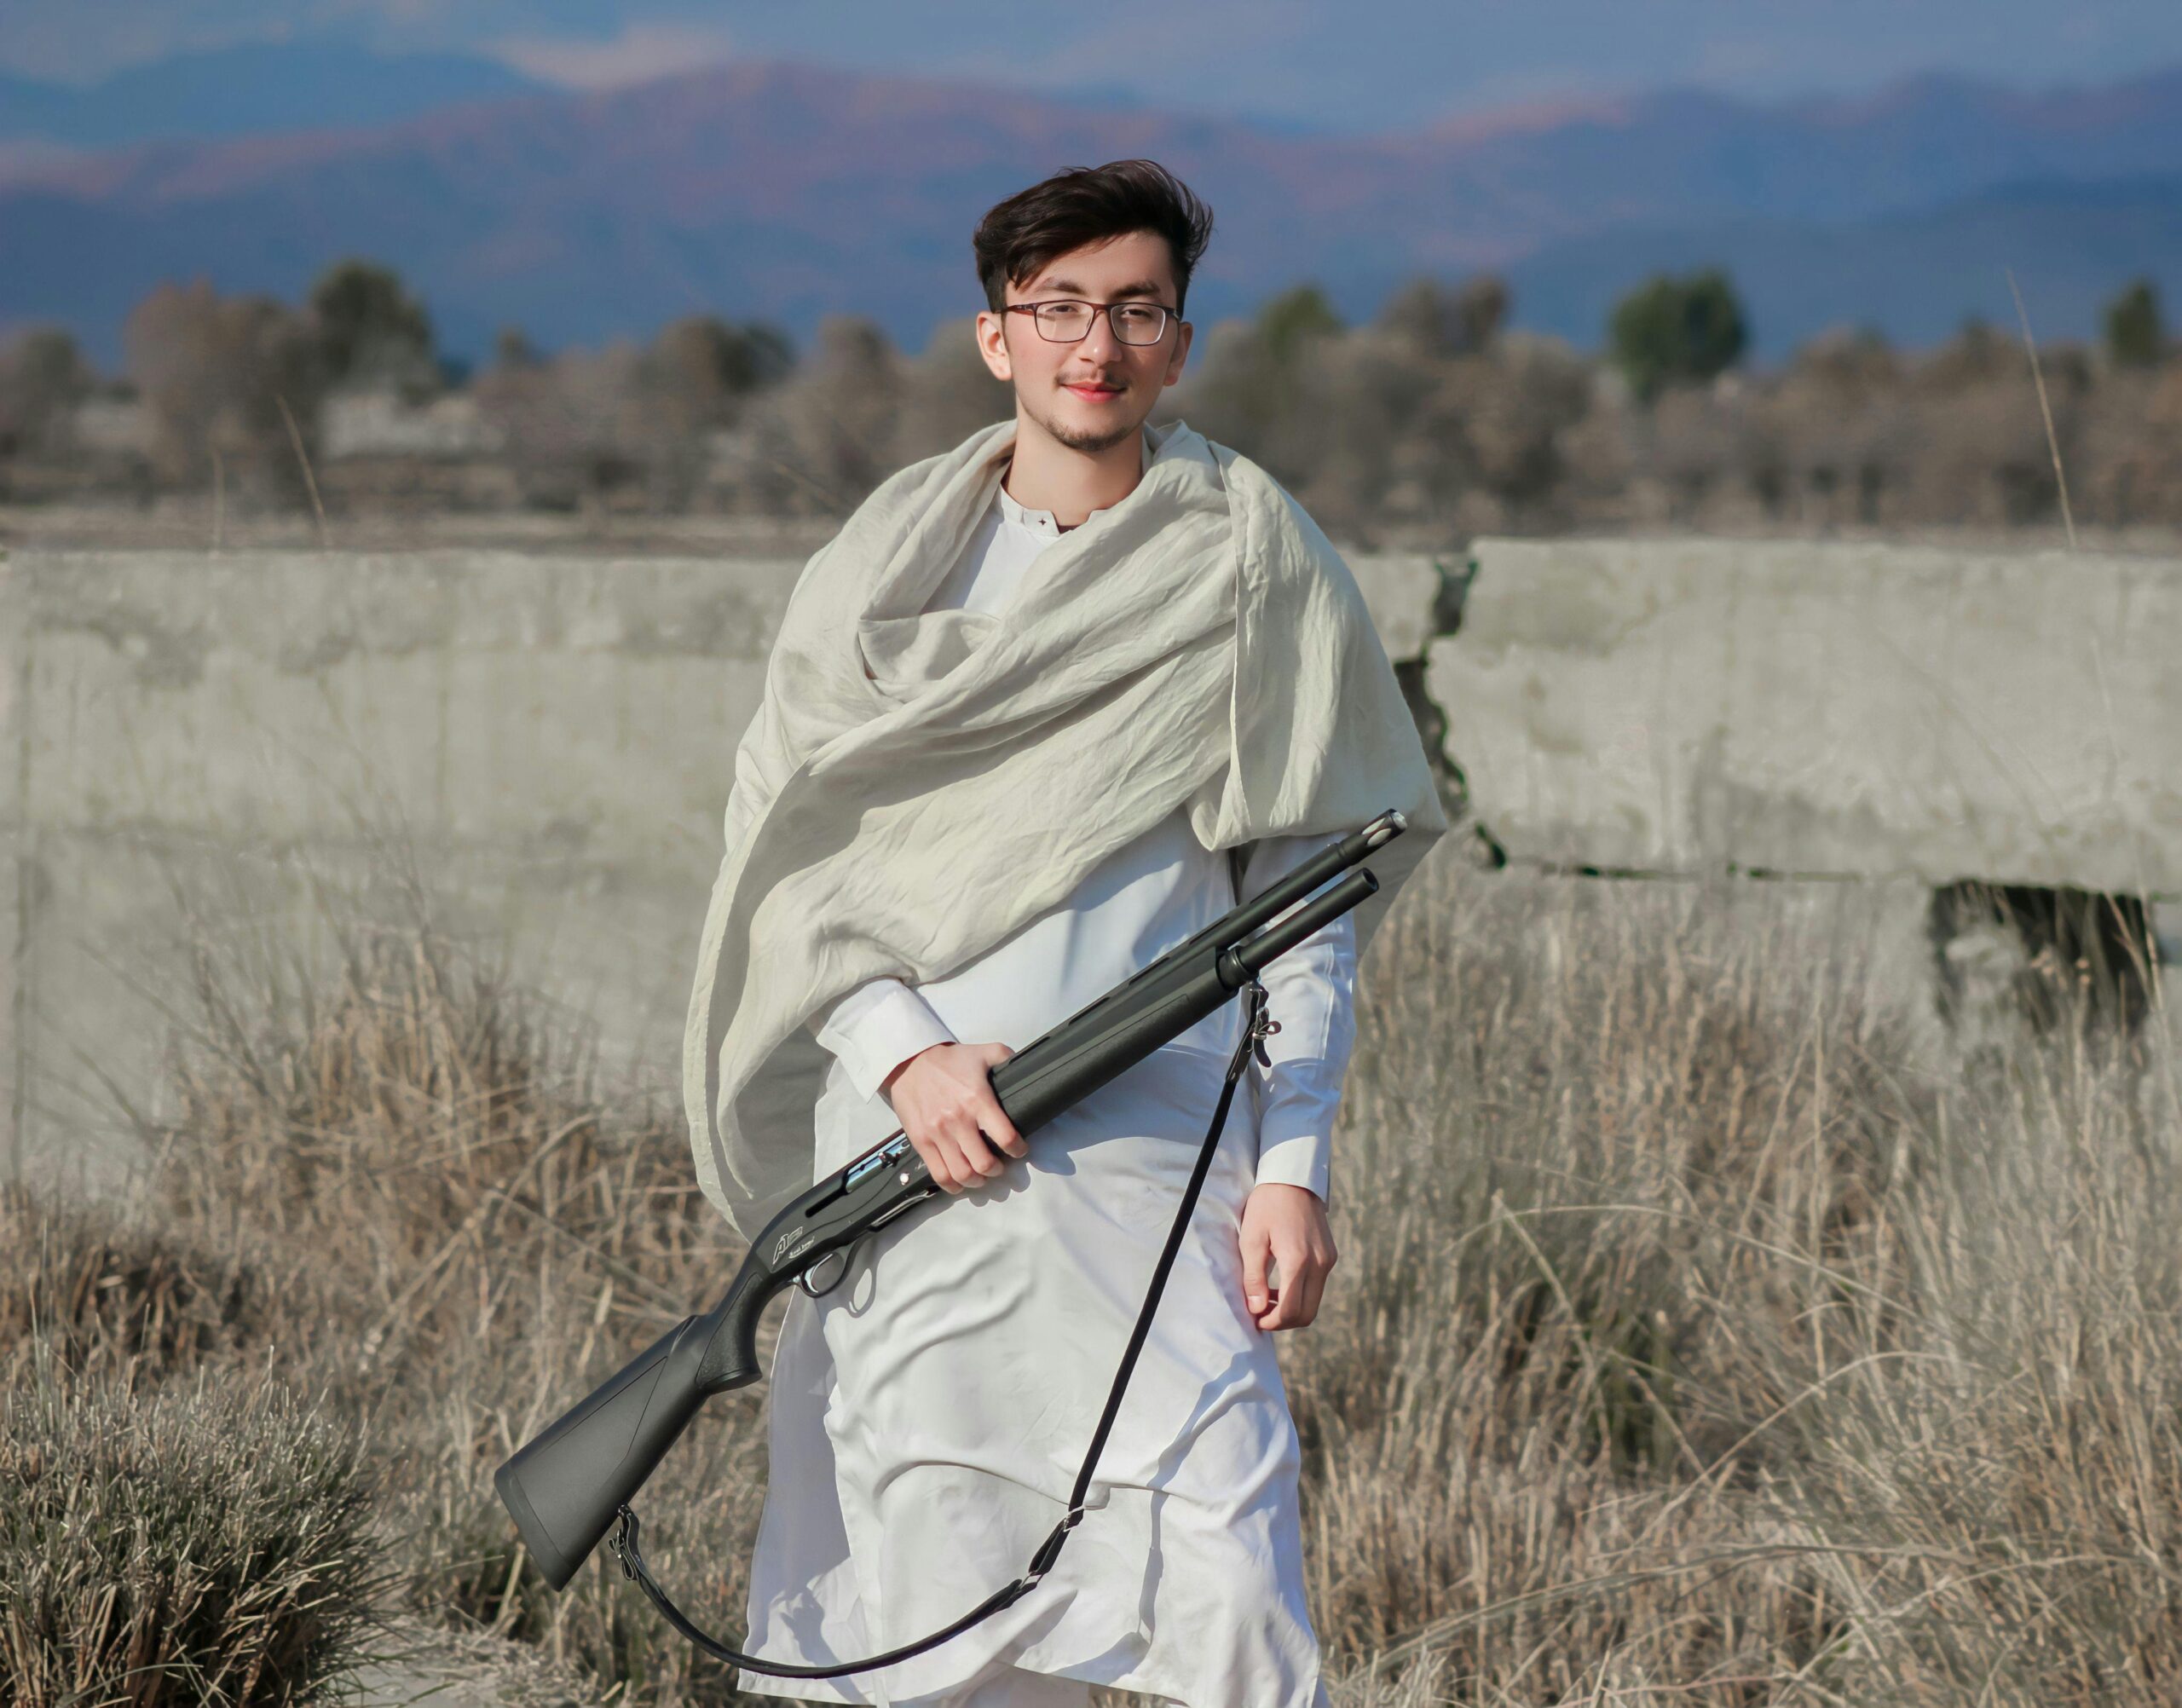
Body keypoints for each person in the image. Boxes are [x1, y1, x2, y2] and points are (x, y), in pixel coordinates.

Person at [682, 159, 1446, 1708]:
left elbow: (1305, 914)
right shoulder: (878, 578)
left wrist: (1294, 1164)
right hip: (917, 1170)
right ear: (997, 337)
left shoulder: (1254, 565)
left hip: (1161, 1172)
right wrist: (906, 1061)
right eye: (1060, 310)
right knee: (933, 1607)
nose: (1095, 345)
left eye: (1135, 311)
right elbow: (795, 872)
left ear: (1179, 343)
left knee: (1228, 1590)